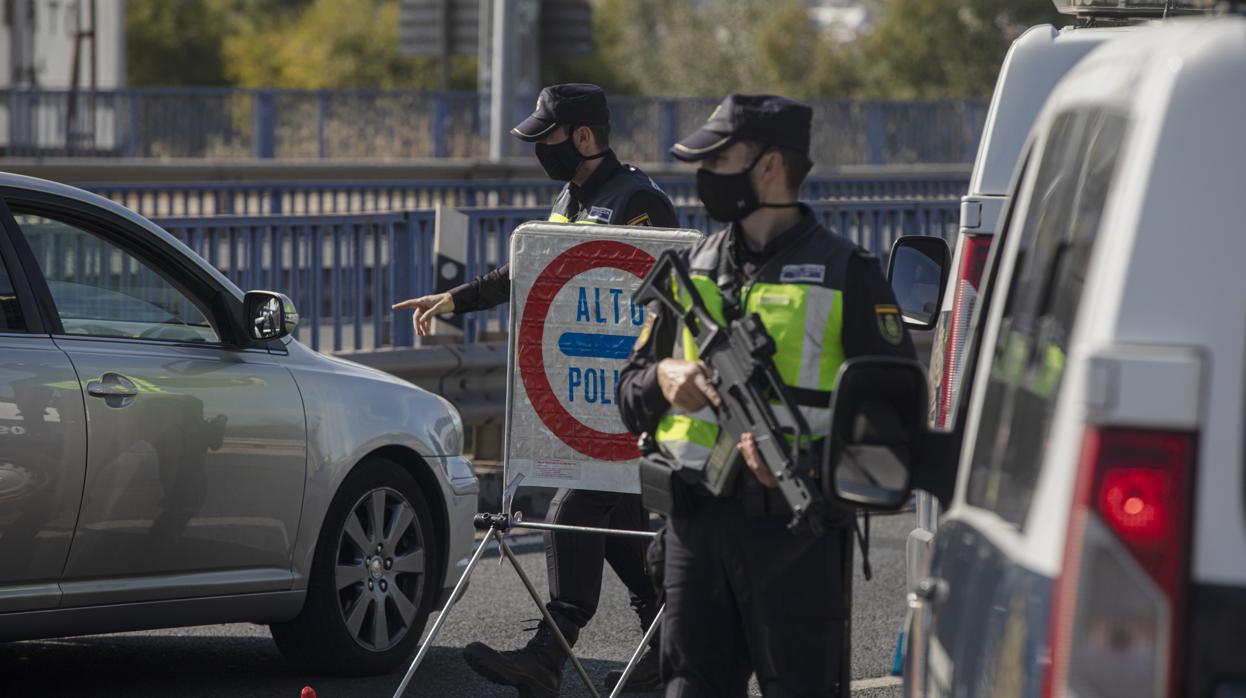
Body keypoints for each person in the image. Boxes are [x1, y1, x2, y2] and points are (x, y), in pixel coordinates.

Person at [617, 94, 917, 697]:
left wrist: (810, 462)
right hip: (694, 528)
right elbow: (629, 396)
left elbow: (896, 423)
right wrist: (663, 380)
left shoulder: (848, 273)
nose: (705, 175)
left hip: (796, 534)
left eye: (718, 160)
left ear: (770, 166)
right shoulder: (691, 270)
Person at [393, 83, 678, 697]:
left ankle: (548, 655)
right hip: (586, 393)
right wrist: (456, 299)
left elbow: (670, 297)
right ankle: (668, 653)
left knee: (572, 509)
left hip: (629, 400)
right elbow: (532, 268)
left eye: (547, 137)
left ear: (584, 136)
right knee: (618, 527)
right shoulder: (571, 197)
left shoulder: (638, 202)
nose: (539, 149)